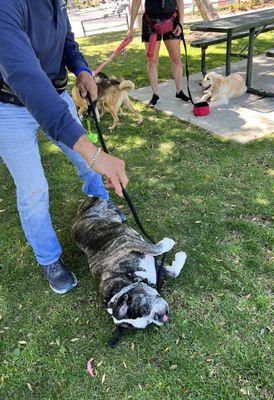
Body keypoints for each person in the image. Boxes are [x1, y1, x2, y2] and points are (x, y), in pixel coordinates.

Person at [0, 0, 128, 295]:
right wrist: (93, 151)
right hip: (8, 107)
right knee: (33, 189)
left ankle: (100, 207)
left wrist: (81, 69)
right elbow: (25, 76)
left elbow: (66, 40)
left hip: (57, 98)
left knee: (86, 164)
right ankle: (49, 259)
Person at [126, 0, 189, 108]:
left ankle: (179, 92)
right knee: (152, 61)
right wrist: (131, 27)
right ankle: (155, 95)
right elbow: (136, 3)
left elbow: (180, 1)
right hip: (150, 23)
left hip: (172, 21)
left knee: (176, 59)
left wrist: (181, 22)